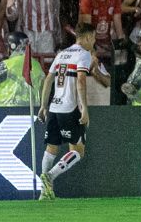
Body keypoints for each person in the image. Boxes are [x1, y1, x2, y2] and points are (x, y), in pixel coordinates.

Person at [38, 22, 96, 201]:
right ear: (87, 37)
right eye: (94, 38)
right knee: (78, 151)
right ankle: (50, 176)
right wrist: (84, 108)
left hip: (54, 107)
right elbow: (81, 80)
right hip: (70, 108)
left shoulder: (61, 54)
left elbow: (48, 79)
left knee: (51, 148)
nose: (94, 42)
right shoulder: (84, 54)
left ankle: (44, 192)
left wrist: (43, 105)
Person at [0, 31, 45, 106]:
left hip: (7, 109)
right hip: (32, 109)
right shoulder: (37, 65)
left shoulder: (7, 64)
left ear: (12, 47)